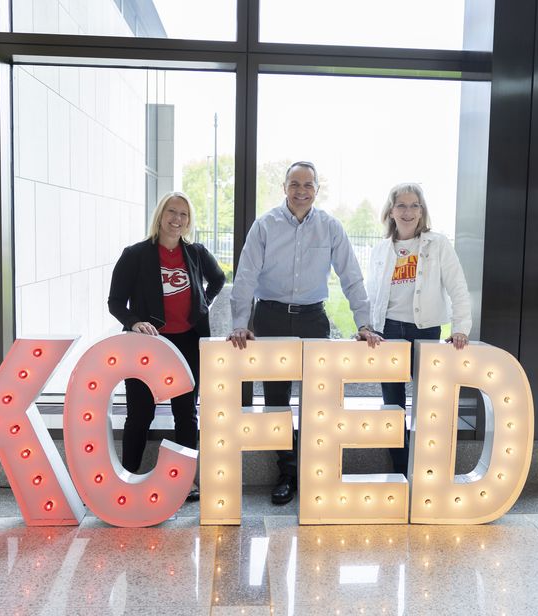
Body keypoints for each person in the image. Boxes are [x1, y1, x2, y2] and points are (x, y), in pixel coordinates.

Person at [227, 161, 383, 505]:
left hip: (313, 321)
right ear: (284, 187)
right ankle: (286, 473)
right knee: (277, 401)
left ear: (316, 189)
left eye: (308, 185)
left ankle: (315, 473)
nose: (301, 191)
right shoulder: (264, 225)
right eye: (294, 184)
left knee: (318, 400)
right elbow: (246, 277)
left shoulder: (330, 227)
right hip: (270, 318)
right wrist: (241, 322)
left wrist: (364, 324)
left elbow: (351, 278)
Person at [108, 191, 225, 501]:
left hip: (187, 342)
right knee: (140, 413)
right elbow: (115, 302)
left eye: (184, 215)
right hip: (149, 345)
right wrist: (134, 322)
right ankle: (129, 476)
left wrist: (202, 305)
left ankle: (186, 480)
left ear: (189, 221)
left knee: (186, 413)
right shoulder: (135, 254)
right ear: (160, 215)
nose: (177, 219)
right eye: (172, 212)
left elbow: (218, 279)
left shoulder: (197, 253)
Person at [367, 182, 472, 476]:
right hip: (388, 332)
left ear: (422, 211)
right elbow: (370, 292)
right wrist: (367, 326)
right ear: (390, 210)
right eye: (401, 205)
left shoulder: (437, 244)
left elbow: (458, 287)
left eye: (415, 205)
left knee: (429, 402)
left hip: (425, 331)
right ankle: (401, 469)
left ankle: (427, 470)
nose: (408, 211)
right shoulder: (380, 249)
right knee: (393, 405)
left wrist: (461, 327)